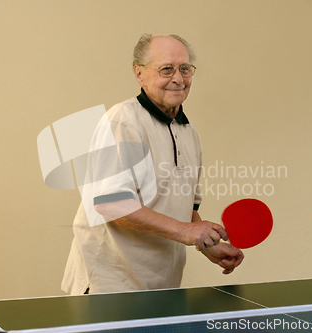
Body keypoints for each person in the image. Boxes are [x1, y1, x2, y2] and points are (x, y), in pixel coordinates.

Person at [62, 34, 243, 295]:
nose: (178, 78)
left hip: (161, 285)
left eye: (185, 68)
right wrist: (185, 231)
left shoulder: (188, 132)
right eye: (166, 69)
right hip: (110, 287)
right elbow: (111, 203)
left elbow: (183, 208)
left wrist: (207, 245)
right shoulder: (123, 121)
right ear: (139, 74)